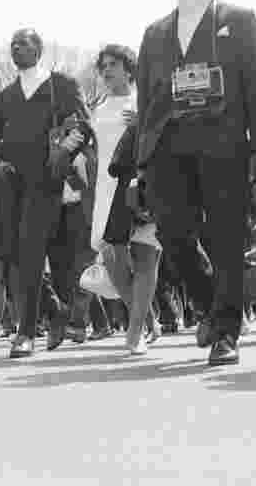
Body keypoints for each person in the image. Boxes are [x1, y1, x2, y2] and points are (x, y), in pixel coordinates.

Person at [136, 0, 256, 366]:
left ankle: (226, 331)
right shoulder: (155, 32)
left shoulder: (239, 19)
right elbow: (146, 102)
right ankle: (213, 303)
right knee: (173, 234)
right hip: (167, 147)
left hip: (223, 142)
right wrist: (143, 162)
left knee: (227, 236)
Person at [0, 28, 89, 358]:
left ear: (39, 49)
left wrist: (63, 154)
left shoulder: (62, 85)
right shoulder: (6, 97)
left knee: (30, 251)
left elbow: (82, 127)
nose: (16, 47)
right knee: (15, 254)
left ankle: (26, 332)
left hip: (48, 182)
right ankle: (55, 309)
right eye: (12, 43)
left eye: (23, 42)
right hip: (13, 183)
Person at [91, 44, 162, 355]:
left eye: (114, 65)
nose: (107, 71)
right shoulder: (96, 106)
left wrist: (143, 121)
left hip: (142, 188)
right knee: (113, 261)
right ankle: (148, 320)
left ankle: (135, 333)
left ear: (129, 69)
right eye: (103, 66)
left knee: (145, 257)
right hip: (106, 192)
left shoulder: (144, 101)